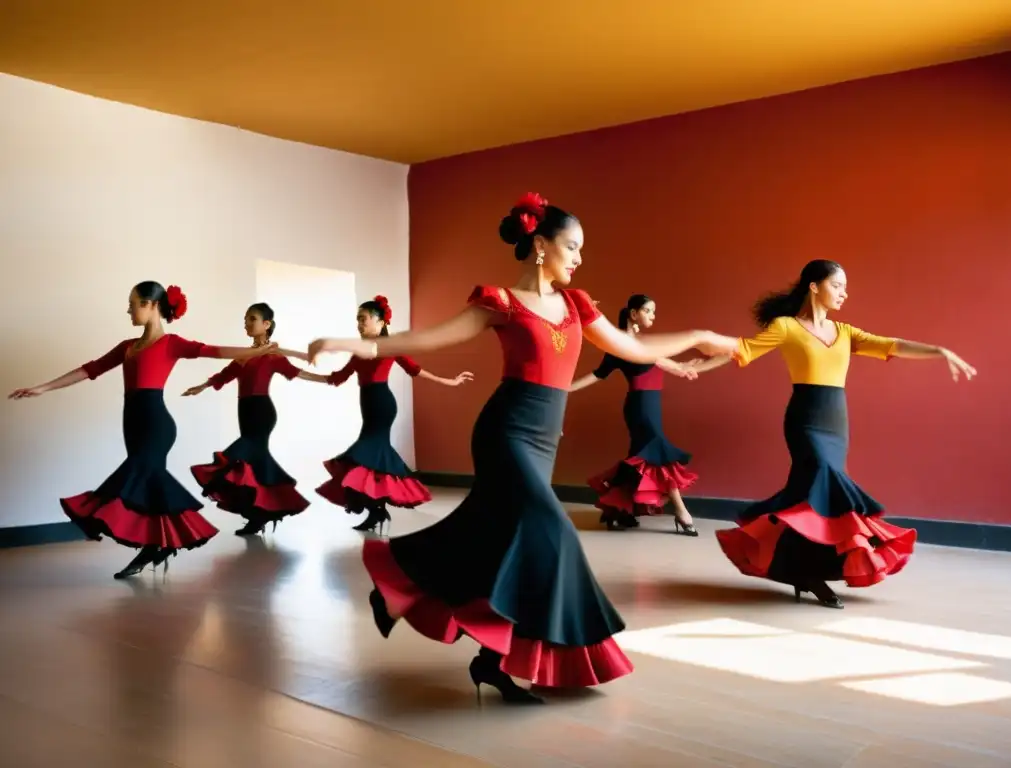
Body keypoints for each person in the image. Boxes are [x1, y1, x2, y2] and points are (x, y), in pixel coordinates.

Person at [307, 193, 736, 704]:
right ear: (540, 245)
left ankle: (469, 643)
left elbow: (637, 349)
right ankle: (421, 599)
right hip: (505, 431)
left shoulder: (578, 306)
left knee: (495, 539)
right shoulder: (501, 303)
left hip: (541, 439)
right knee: (552, 533)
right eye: (571, 247)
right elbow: (432, 339)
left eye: (581, 250)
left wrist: (703, 336)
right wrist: (360, 345)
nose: (579, 258)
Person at [706, 260, 976, 608]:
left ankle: (803, 568)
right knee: (823, 479)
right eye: (837, 285)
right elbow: (743, 350)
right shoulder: (786, 326)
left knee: (813, 499)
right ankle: (806, 569)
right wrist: (696, 364)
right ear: (814, 286)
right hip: (805, 419)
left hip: (836, 421)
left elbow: (891, 345)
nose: (844, 293)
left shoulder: (845, 332)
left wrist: (939, 351)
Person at [8, 282, 305, 579]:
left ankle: (156, 539)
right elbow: (90, 369)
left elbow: (214, 351)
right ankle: (158, 544)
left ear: (152, 305)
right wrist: (41, 388)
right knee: (150, 484)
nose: (128, 309)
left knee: (134, 475)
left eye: (133, 303)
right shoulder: (127, 347)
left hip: (156, 425)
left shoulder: (171, 343)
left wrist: (263, 350)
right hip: (133, 424)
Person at [316, 295, 473, 533]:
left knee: (364, 455)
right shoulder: (358, 353)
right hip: (368, 407)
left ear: (380, 323)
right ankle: (377, 511)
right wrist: (297, 372)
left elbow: (415, 369)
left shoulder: (391, 348)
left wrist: (449, 381)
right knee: (373, 459)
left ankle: (376, 511)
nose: (359, 324)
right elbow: (336, 378)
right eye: (357, 320)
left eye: (363, 319)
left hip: (382, 405)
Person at [184, 302, 330, 537]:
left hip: (262, 413)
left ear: (266, 324)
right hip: (245, 412)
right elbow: (225, 375)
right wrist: (201, 386)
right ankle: (259, 515)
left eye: (252, 319)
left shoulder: (273, 356)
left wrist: (327, 379)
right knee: (255, 466)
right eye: (245, 319)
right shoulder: (244, 356)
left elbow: (296, 372)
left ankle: (260, 514)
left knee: (235, 458)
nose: (247, 323)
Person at [570, 293, 702, 534]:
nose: (653, 316)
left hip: (650, 405)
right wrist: (567, 388)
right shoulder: (618, 345)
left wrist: (684, 368)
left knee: (640, 459)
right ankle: (682, 512)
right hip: (639, 407)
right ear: (633, 314)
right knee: (658, 453)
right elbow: (599, 374)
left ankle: (618, 510)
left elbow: (662, 361)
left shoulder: (644, 343)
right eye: (649, 311)